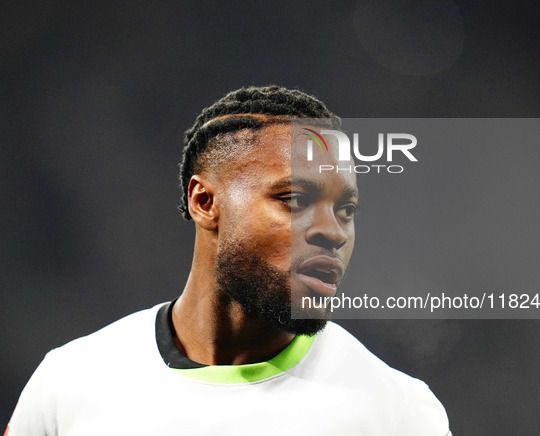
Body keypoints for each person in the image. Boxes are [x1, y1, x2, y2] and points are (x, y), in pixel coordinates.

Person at [6, 85, 451, 435]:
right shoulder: (69, 383)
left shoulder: (398, 413)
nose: (333, 232)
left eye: (346, 210)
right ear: (204, 201)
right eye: (294, 199)